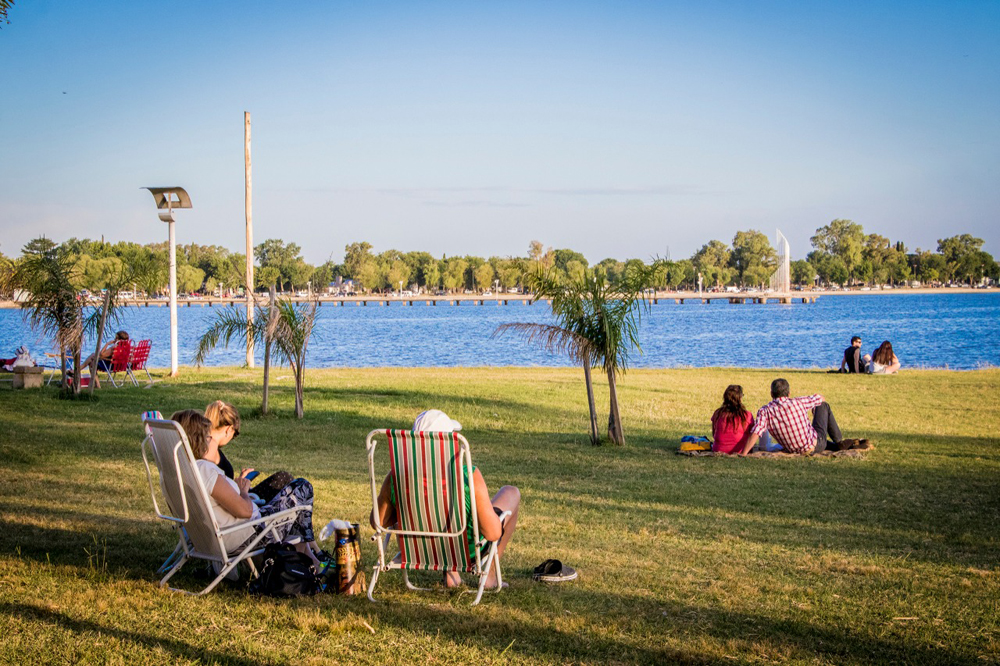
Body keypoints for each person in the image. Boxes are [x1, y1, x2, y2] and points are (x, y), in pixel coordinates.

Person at [371, 409, 520, 588]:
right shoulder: (467, 477)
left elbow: (377, 522)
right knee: (511, 492)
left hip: (418, 550)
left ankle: (452, 576)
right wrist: (496, 518)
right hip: (464, 552)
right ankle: (489, 576)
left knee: (436, 511)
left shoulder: (397, 477)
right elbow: (492, 533)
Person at [171, 409, 325, 569]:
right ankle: (310, 562)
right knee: (302, 487)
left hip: (212, 538)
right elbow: (245, 511)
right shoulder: (204, 470)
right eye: (208, 437)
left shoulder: (177, 470)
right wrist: (243, 491)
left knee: (294, 505)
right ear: (198, 441)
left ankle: (306, 561)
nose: (212, 441)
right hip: (248, 536)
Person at [739, 379, 866, 456]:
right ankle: (839, 441)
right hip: (814, 444)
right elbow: (820, 398)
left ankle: (840, 444)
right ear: (789, 393)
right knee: (823, 406)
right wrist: (814, 409)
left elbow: (756, 432)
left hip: (793, 448)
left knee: (825, 443)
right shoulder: (798, 402)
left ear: (771, 394)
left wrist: (744, 454)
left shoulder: (765, 411)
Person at [204, 400, 294, 503]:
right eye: (235, 434)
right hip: (239, 508)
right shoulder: (210, 453)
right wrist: (242, 492)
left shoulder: (200, 449)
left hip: (231, 499)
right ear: (229, 429)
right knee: (288, 480)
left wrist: (238, 482)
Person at [711, 385, 755, 454]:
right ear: (740, 398)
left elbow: (714, 434)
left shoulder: (717, 413)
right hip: (741, 450)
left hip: (718, 449)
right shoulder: (747, 415)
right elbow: (752, 436)